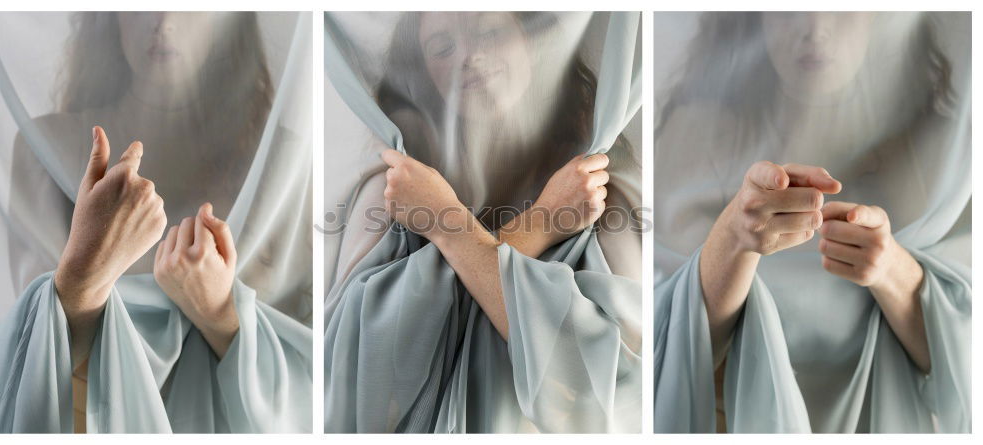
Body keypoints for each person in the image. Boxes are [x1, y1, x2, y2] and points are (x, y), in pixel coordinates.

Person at [324, 11, 642, 433]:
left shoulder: (598, 189)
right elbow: (357, 377)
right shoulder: (395, 190)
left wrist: (447, 228)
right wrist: (539, 225)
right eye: (442, 47)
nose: (470, 57)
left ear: (534, 40)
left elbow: (608, 391)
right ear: (423, 73)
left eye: (490, 32)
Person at [654, 11, 970, 433]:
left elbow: (965, 371)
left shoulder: (945, 158)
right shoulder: (696, 137)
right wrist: (733, 239)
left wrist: (890, 266)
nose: (815, 30)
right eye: (790, 6)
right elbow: (666, 351)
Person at [0, 11, 312, 433]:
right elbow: (28, 357)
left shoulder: (284, 165)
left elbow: (313, 380)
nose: (163, 21)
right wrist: (90, 268)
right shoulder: (44, 147)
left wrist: (218, 312)